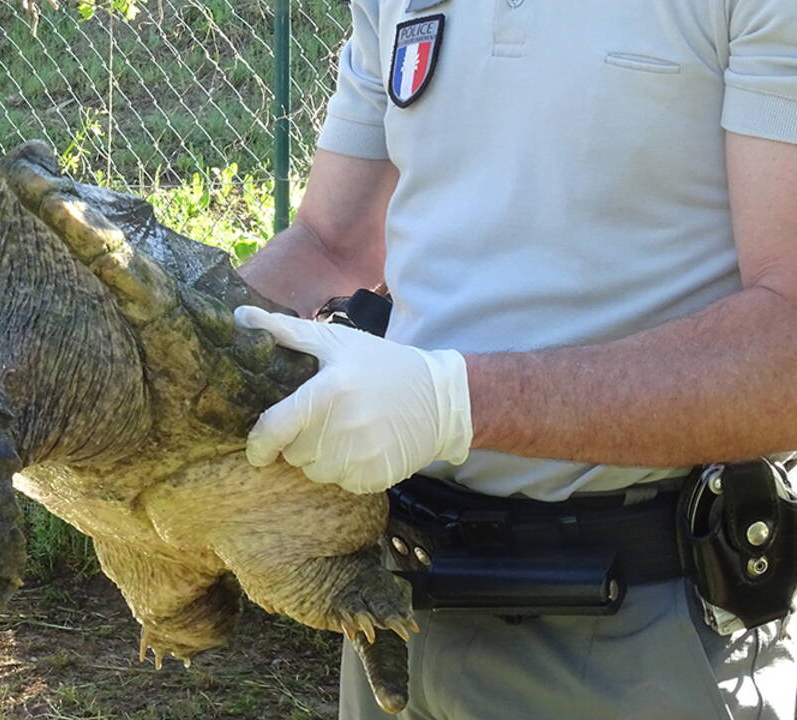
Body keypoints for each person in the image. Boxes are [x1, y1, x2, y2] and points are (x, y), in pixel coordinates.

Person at [234, 1, 797, 718]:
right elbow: (329, 243)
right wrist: (153, 347)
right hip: (399, 603)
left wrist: (456, 404)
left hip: (644, 614)